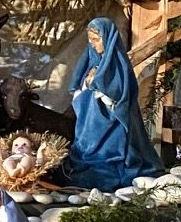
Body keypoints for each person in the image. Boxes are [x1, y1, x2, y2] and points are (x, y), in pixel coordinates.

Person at [64, 18, 160, 191]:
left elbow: (121, 96)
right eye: (90, 40)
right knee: (83, 160)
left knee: (110, 165)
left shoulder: (118, 65)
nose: (93, 45)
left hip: (111, 127)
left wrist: (100, 89)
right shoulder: (91, 64)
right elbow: (78, 94)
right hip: (89, 125)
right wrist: (86, 87)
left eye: (96, 39)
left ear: (107, 38)